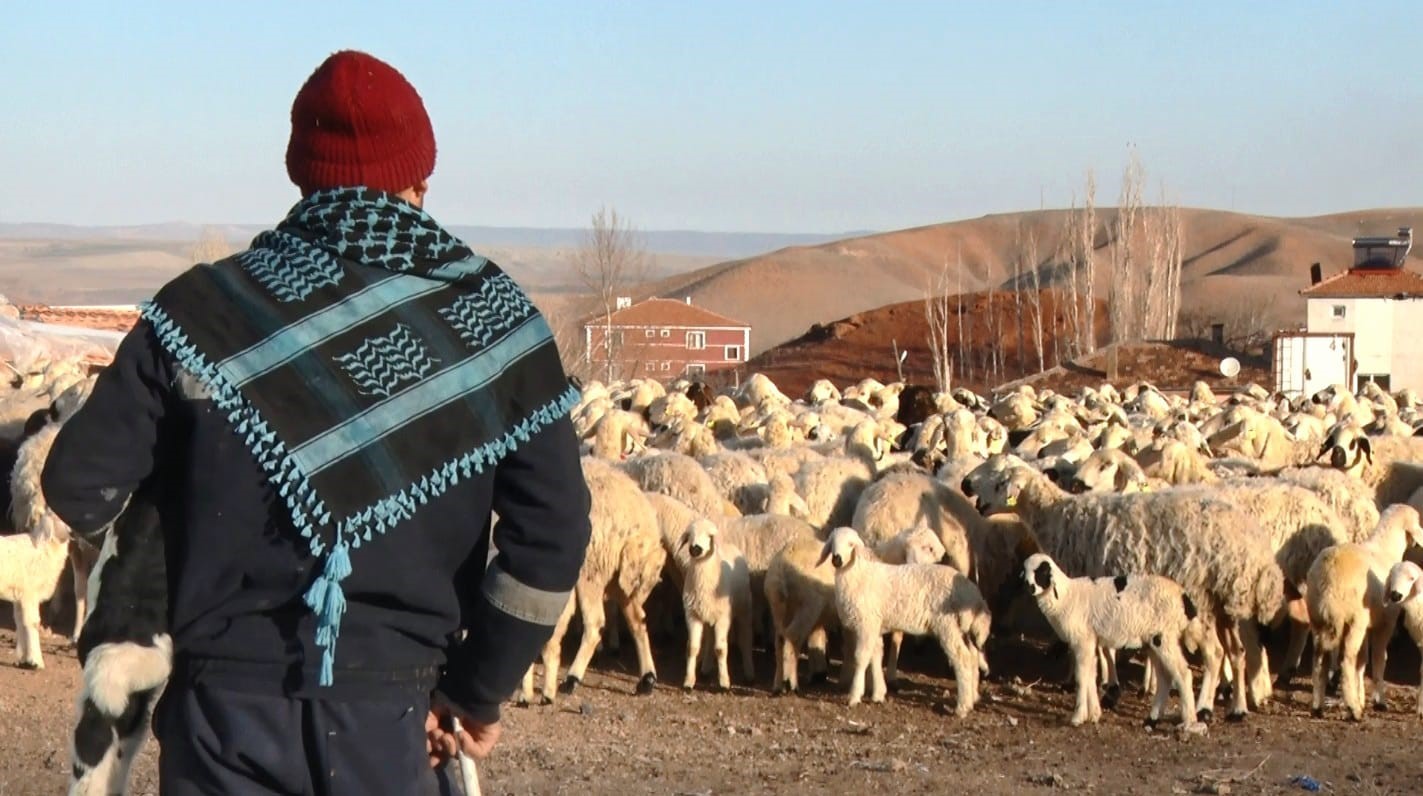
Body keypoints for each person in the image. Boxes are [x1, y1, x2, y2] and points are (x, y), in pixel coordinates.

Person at [41, 50, 592, 795]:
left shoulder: (200, 313)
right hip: (399, 727)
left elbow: (78, 486)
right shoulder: (492, 324)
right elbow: (552, 538)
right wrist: (474, 691)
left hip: (220, 722)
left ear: (302, 175)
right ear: (419, 179)